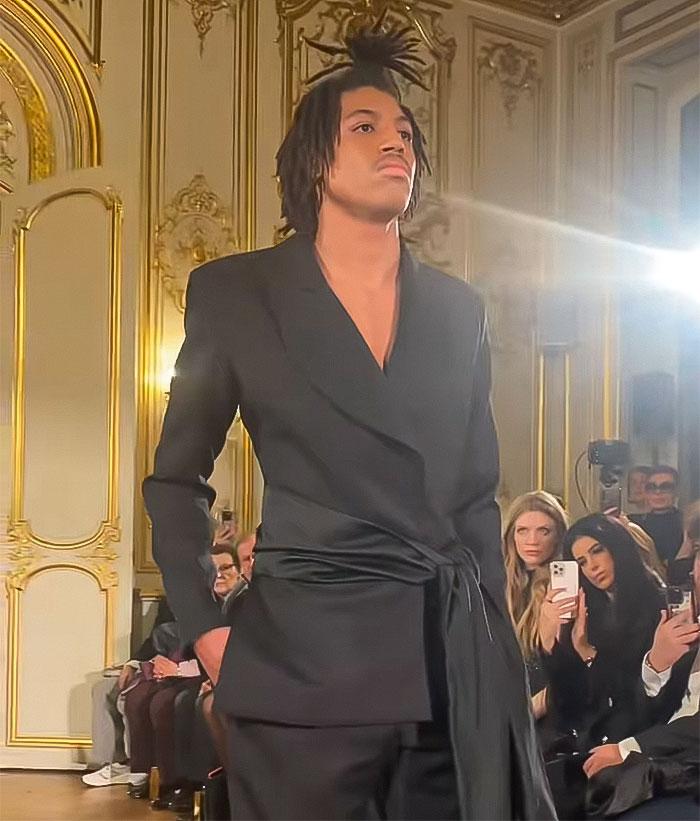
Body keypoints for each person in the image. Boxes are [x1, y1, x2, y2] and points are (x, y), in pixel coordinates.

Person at [143, 19, 553, 821]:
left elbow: (475, 496)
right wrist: (207, 630)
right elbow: (175, 480)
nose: (393, 142)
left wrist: (493, 652)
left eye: (404, 131)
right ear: (314, 159)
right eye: (364, 127)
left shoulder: (458, 310)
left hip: (448, 668)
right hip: (303, 659)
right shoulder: (237, 294)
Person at [583, 533, 700, 819]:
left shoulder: (651, 605)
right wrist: (658, 662)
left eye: (598, 551)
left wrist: (629, 748)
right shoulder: (685, 625)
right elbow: (649, 711)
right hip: (661, 756)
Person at [544, 514, 666, 751]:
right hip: (582, 734)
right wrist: (551, 641)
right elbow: (564, 695)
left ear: (617, 547)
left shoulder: (654, 604)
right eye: (581, 562)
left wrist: (589, 654)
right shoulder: (588, 606)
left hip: (632, 739)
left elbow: (636, 694)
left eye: (597, 551)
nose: (592, 567)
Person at [502, 491, 569, 721]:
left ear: (558, 535)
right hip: (500, 707)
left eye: (544, 531)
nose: (532, 541)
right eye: (523, 531)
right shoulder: (495, 583)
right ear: (511, 535)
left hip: (548, 710)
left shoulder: (565, 586)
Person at [630, 467, 684, 563]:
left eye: (666, 487)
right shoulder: (633, 525)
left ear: (676, 491)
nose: (658, 492)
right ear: (645, 492)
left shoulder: (688, 523)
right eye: (652, 487)